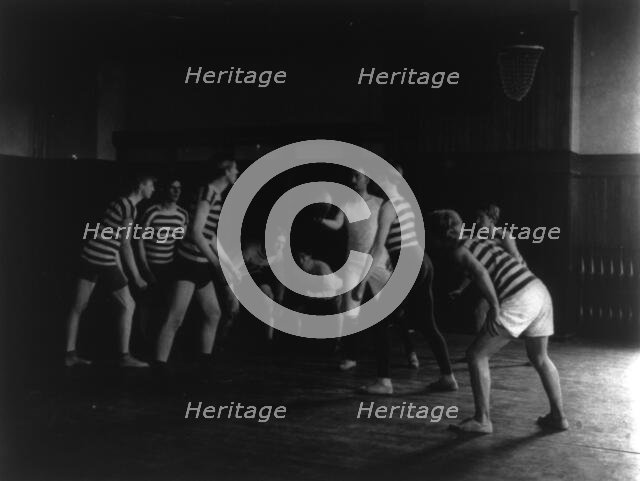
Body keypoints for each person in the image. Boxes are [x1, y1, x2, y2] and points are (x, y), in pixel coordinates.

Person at [426, 209, 568, 433]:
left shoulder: (459, 252)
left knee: (476, 355)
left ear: (439, 236)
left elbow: (481, 273)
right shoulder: (479, 240)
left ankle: (482, 420)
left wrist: (493, 305)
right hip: (539, 289)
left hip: (520, 296)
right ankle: (558, 417)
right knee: (539, 357)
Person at [355, 164, 457, 394]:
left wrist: (361, 285)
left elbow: (378, 248)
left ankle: (384, 381)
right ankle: (448, 376)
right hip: (423, 263)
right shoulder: (408, 204)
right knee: (428, 324)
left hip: (410, 263)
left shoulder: (388, 207)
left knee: (377, 319)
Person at [153, 158, 241, 381]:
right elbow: (195, 231)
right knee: (175, 317)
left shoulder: (217, 196)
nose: (238, 172)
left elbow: (209, 236)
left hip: (200, 264)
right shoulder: (209, 192)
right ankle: (159, 366)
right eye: (235, 169)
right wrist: (215, 262)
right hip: (188, 263)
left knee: (213, 313)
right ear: (226, 170)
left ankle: (205, 364)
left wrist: (224, 264)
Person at [64, 173, 155, 368]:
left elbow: (112, 241)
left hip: (91, 256)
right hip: (101, 259)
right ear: (141, 185)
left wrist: (121, 272)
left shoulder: (121, 203)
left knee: (78, 307)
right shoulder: (129, 207)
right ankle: (124, 357)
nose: (153, 189)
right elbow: (125, 245)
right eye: (151, 185)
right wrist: (137, 277)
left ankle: (69, 354)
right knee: (128, 305)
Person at [318, 168, 390, 370]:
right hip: (353, 263)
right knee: (350, 310)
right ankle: (351, 356)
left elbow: (383, 236)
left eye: (356, 176)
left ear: (366, 178)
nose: (352, 179)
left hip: (377, 261)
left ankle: (409, 352)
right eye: (351, 176)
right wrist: (321, 220)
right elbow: (338, 223)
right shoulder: (347, 203)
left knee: (388, 310)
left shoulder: (379, 203)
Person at [136, 178, 188, 341]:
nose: (176, 191)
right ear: (165, 190)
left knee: (167, 305)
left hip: (169, 267)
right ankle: (141, 339)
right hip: (150, 265)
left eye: (178, 188)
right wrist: (144, 268)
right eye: (172, 188)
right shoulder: (152, 212)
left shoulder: (182, 214)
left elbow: (182, 241)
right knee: (146, 304)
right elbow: (139, 240)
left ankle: (160, 340)